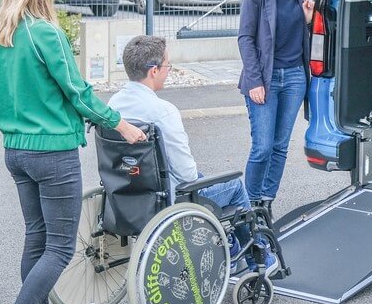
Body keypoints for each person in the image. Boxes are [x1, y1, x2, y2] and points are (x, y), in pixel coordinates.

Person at [0, 0, 146, 304]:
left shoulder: (5, 31)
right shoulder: (45, 33)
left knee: (36, 240)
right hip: (51, 152)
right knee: (58, 248)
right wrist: (121, 124)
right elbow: (77, 91)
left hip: (15, 151)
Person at [108, 35, 276, 268]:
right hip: (167, 201)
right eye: (167, 65)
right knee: (234, 187)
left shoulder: (113, 106)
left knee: (203, 178)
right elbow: (186, 175)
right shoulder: (163, 112)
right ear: (154, 70)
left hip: (125, 194)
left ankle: (228, 244)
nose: (169, 70)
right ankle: (259, 259)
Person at [237, 0, 314, 215]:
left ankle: (266, 201)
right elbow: (245, 39)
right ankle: (248, 203)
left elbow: (311, 38)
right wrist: (255, 81)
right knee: (262, 147)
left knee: (280, 146)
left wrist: (309, 21)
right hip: (265, 80)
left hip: (294, 79)